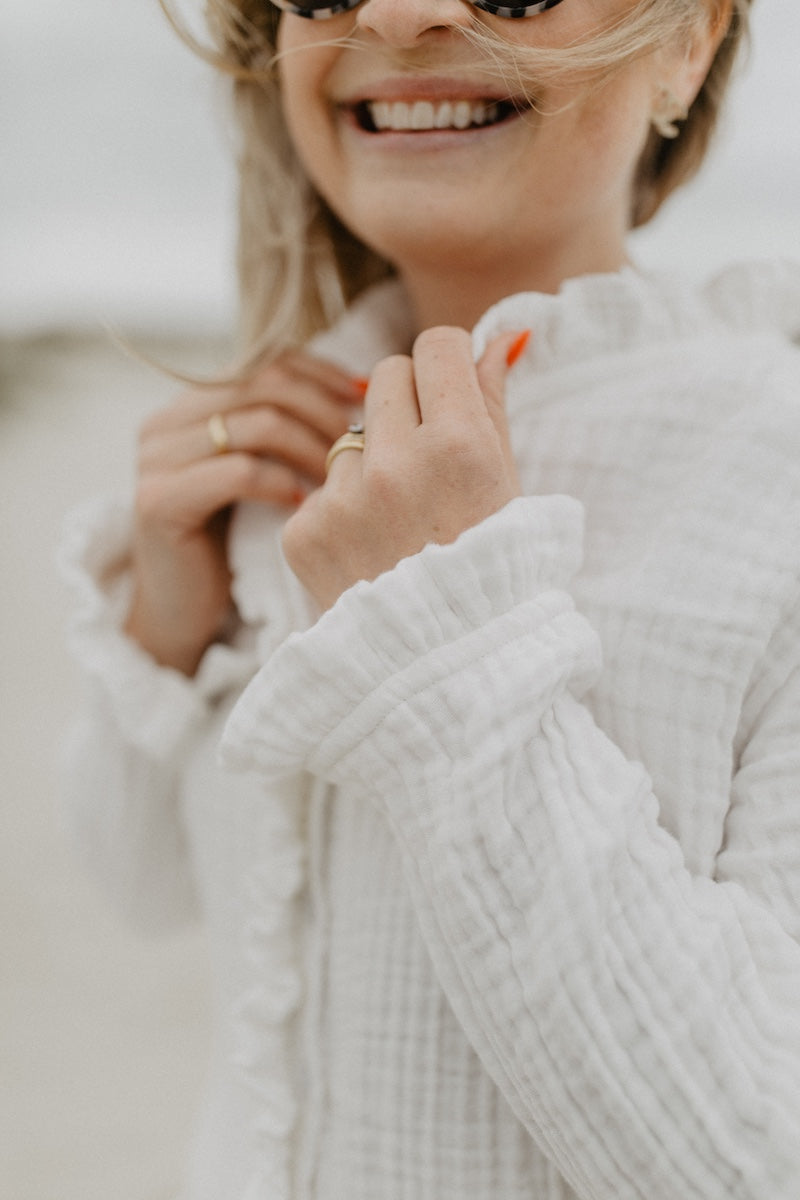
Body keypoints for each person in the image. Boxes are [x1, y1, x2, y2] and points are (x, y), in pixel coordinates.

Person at [59, 0, 800, 1197]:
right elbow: (135, 883)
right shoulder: (279, 435)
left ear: (688, 39)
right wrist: (166, 623)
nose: (399, 15)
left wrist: (449, 643)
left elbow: (750, 1159)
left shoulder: (769, 466)